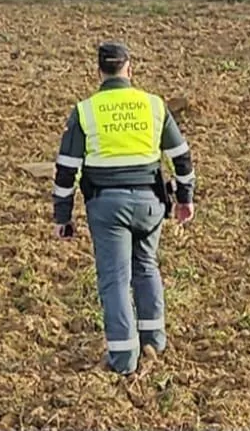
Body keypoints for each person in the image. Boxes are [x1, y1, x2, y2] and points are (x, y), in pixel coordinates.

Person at [51, 41, 196, 376]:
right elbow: (181, 157)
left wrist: (63, 216)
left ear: (99, 72)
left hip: (106, 206)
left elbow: (66, 169)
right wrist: (185, 197)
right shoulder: (154, 106)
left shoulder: (85, 111)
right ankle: (153, 341)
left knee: (115, 278)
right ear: (130, 69)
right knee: (146, 267)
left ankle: (124, 358)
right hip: (150, 203)